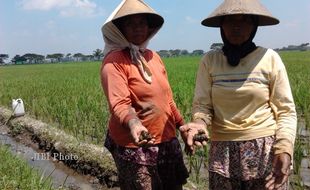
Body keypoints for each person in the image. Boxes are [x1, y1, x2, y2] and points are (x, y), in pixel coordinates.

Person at [179, 0, 297, 189]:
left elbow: (285, 110)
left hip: (264, 150)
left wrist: (284, 149)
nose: (236, 27)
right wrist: (199, 124)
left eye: (244, 21)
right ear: (221, 26)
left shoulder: (270, 58)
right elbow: (202, 106)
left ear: (254, 26)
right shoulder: (210, 60)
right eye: (230, 21)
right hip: (222, 152)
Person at [100, 0, 189, 189]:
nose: (137, 28)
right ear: (120, 29)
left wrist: (181, 125)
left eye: (142, 23)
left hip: (166, 138)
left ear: (149, 27)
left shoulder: (153, 57)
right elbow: (120, 104)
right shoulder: (114, 60)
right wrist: (134, 123)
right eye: (130, 24)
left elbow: (167, 99)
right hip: (136, 144)